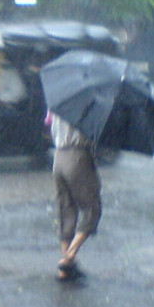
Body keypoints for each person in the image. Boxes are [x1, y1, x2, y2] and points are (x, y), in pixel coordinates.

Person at [47, 109, 101, 281]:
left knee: (66, 209)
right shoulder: (90, 107)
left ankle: (66, 270)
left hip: (58, 158)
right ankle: (68, 257)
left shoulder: (60, 104)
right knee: (92, 210)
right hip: (77, 156)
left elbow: (48, 123)